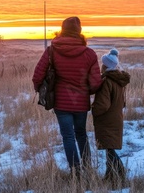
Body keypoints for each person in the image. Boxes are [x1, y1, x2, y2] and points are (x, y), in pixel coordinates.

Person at [32, 16, 102, 178]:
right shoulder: (89, 54)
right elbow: (95, 83)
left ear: (62, 30)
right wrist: (85, 91)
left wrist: (41, 90)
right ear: (79, 32)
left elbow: (38, 75)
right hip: (81, 102)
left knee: (68, 136)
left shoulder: (52, 50)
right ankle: (88, 169)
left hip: (61, 104)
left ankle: (75, 173)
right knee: (81, 134)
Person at [92, 49, 130, 188]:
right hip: (116, 118)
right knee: (109, 149)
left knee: (110, 150)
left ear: (106, 66)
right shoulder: (119, 81)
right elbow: (122, 102)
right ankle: (110, 176)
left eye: (102, 64)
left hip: (107, 120)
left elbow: (103, 104)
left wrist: (94, 110)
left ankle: (120, 173)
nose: (101, 66)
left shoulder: (107, 81)